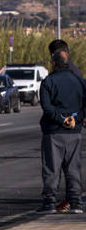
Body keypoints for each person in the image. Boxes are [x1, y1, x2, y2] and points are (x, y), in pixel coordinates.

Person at [37, 48, 86, 214]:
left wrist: (61, 119)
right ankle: (76, 203)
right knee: (73, 169)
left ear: (54, 63)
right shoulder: (80, 82)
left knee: (51, 169)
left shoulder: (48, 82)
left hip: (53, 132)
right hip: (74, 132)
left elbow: (47, 107)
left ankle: (49, 203)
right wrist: (75, 119)